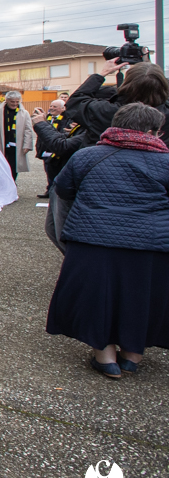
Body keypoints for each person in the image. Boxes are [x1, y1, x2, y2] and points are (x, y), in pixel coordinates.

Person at [45, 103, 169, 379]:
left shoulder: (87, 156)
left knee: (96, 297)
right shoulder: (165, 161)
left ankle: (105, 357)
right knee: (142, 298)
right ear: (153, 131)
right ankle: (132, 356)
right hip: (151, 242)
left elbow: (63, 189)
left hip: (93, 238)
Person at [65, 58, 169, 145]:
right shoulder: (165, 114)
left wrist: (102, 74)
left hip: (103, 165)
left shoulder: (108, 111)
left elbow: (75, 102)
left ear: (127, 83)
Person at [32, 103, 89, 255]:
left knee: (61, 231)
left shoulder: (94, 132)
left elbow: (61, 145)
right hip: (60, 176)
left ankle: (77, 263)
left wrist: (41, 124)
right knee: (52, 229)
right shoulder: (84, 128)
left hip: (69, 186)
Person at [0, 91, 33, 181]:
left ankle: (12, 185)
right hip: (1, 143)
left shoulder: (24, 113)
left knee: (14, 167)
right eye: (12, 102)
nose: (15, 104)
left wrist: (27, 145)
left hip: (16, 144)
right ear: (6, 101)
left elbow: (28, 130)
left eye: (17, 102)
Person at [34, 98, 67, 198]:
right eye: (51, 106)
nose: (52, 108)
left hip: (57, 150)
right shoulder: (47, 118)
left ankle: (58, 192)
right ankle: (50, 190)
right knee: (48, 171)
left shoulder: (65, 119)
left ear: (62, 109)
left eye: (55, 107)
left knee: (59, 171)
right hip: (46, 150)